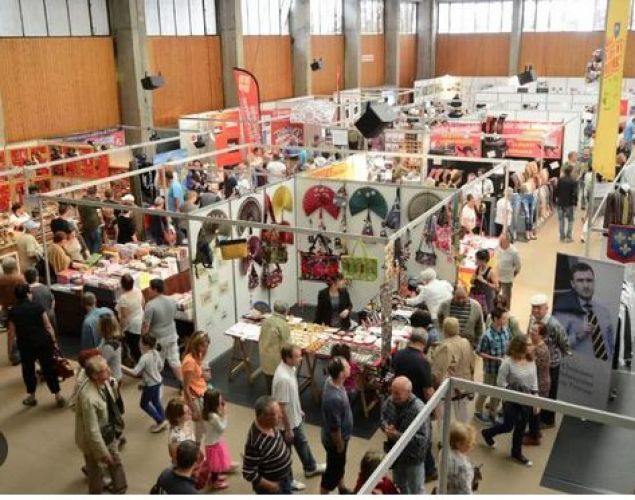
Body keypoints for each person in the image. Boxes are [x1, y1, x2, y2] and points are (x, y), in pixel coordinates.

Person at [481, 335, 538, 467]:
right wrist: (513, 393)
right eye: (529, 344)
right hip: (511, 399)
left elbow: (534, 381)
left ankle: (516, 453)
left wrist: (536, 399)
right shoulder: (508, 362)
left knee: (521, 427)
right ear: (520, 347)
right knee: (508, 426)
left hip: (527, 399)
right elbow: (500, 382)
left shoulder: (531, 360)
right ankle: (487, 433)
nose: (532, 346)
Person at [272, 345, 326, 485]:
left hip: (295, 417)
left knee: (302, 444)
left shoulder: (291, 369)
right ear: (288, 358)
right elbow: (281, 405)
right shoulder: (283, 378)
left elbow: (293, 395)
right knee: (286, 453)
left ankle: (310, 467)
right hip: (286, 424)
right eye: (297, 356)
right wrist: (288, 428)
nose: (301, 358)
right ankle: (288, 480)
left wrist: (298, 409)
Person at [75, 355, 127, 494]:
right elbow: (92, 431)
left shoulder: (104, 382)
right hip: (93, 442)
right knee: (95, 470)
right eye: (105, 370)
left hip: (108, 431)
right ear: (95, 375)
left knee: (115, 461)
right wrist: (103, 452)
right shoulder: (89, 398)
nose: (109, 371)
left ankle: (120, 489)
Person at [8, 283, 65, 407]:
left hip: (25, 344)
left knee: (28, 370)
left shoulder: (13, 311)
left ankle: (32, 397)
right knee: (48, 367)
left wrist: (10, 349)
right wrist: (54, 340)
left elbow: (11, 333)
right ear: (28, 294)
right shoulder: (37, 306)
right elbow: (47, 325)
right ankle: (58, 395)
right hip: (43, 341)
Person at [553, 262, 614, 361]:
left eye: (589, 280)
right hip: (577, 373)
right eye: (580, 281)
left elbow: (610, 345)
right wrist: (577, 335)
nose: (585, 285)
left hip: (602, 372)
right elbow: (554, 345)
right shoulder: (562, 311)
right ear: (573, 284)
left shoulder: (604, 312)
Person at [527, 293, 570, 428]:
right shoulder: (532, 320)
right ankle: (538, 417)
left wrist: (557, 356)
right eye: (534, 307)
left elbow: (564, 343)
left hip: (551, 364)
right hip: (537, 362)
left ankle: (548, 420)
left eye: (538, 308)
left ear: (546, 308)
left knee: (550, 392)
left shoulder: (554, 324)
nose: (535, 310)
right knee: (538, 389)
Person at [380, 376, 428, 494]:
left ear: (408, 392)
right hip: (396, 455)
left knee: (416, 490)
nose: (393, 397)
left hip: (413, 459)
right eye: (392, 392)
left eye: (397, 393)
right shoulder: (390, 401)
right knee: (399, 485)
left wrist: (397, 435)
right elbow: (383, 417)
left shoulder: (419, 409)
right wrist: (385, 427)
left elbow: (422, 440)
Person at [242, 395, 293, 494]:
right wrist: (270, 485)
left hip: (284, 478)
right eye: (276, 414)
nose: (281, 416)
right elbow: (248, 472)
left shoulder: (272, 425)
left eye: (280, 413)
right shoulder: (256, 442)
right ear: (263, 417)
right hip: (272, 487)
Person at [432, 317, 475, 423]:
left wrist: (435, 387)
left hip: (450, 386)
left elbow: (439, 371)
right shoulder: (466, 342)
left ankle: (444, 439)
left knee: (444, 417)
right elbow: (472, 363)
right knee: (463, 416)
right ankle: (464, 437)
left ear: (444, 329)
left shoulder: (445, 346)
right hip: (465, 382)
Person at [122, 335, 168, 433]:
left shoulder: (144, 358)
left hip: (151, 385)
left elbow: (135, 372)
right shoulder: (155, 352)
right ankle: (163, 418)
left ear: (145, 345)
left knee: (143, 404)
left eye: (140, 342)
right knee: (156, 401)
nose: (139, 344)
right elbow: (161, 366)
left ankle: (160, 421)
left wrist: (121, 367)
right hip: (158, 381)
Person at [320, 357, 353, 494]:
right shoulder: (334, 398)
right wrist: (340, 445)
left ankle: (342, 487)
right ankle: (323, 493)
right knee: (333, 471)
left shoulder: (332, 381)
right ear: (341, 374)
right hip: (335, 441)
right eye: (347, 367)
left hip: (340, 438)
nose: (350, 367)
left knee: (340, 465)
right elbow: (335, 429)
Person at [474, 307, 512, 424]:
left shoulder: (506, 330)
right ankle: (478, 412)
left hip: (502, 370)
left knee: (498, 392)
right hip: (490, 370)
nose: (506, 320)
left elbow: (509, 344)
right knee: (486, 391)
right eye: (504, 318)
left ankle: (492, 413)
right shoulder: (487, 336)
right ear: (496, 319)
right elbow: (479, 352)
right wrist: (495, 359)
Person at [142, 278, 182, 385]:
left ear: (155, 289)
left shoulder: (150, 305)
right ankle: (183, 383)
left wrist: (143, 338)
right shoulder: (172, 300)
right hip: (172, 334)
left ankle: (154, 384)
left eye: (150, 288)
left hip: (158, 339)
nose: (148, 290)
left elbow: (146, 325)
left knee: (157, 363)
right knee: (175, 360)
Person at [201, 389, 233, 491]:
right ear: (214, 402)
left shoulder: (206, 412)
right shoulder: (213, 417)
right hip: (214, 444)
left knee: (217, 464)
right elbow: (221, 428)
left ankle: (216, 477)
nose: (221, 399)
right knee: (216, 465)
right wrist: (225, 416)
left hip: (213, 442)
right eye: (219, 398)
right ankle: (214, 482)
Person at [524, 323, 551, 446]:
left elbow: (532, 365)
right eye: (532, 329)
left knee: (534, 411)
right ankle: (535, 432)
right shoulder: (535, 346)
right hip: (536, 383)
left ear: (541, 335)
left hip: (539, 385)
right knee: (534, 411)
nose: (531, 331)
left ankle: (534, 438)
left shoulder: (541, 350)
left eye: (535, 330)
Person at [182, 332, 211, 442]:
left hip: (202, 393)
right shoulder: (189, 362)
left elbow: (197, 374)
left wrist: (202, 374)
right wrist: (193, 409)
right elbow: (186, 388)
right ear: (196, 344)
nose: (205, 348)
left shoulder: (197, 356)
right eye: (203, 345)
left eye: (207, 346)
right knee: (202, 428)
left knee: (203, 427)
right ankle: (196, 449)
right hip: (196, 398)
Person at [437, 284, 484, 349]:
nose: (461, 301)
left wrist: (476, 345)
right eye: (458, 298)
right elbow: (439, 322)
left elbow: (480, 328)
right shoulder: (445, 305)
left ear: (467, 294)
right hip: (449, 346)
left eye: (463, 298)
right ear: (453, 295)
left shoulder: (476, 306)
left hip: (468, 346)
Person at [258, 301, 291, 394]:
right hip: (276, 360)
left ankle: (270, 403)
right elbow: (287, 345)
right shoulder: (282, 324)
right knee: (279, 388)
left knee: (269, 385)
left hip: (264, 356)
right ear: (286, 311)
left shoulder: (266, 321)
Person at [115, 273, 144, 364]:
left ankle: (140, 365)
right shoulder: (138, 290)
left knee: (134, 347)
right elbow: (143, 302)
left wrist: (120, 330)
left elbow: (124, 317)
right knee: (138, 345)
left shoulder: (123, 298)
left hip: (131, 325)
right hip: (140, 319)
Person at [446, 422, 477, 494]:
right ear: (459, 444)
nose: (473, 444)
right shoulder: (463, 466)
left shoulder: (444, 453)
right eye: (469, 443)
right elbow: (465, 489)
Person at [469, 249, 499, 317]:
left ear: (483, 260)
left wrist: (485, 281)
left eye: (477, 259)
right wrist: (473, 279)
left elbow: (497, 287)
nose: (475, 261)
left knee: (486, 316)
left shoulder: (491, 272)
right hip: (476, 296)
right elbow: (471, 281)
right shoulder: (477, 269)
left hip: (487, 299)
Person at [166, 397, 196, 462]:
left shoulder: (186, 422)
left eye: (189, 409)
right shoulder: (176, 438)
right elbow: (176, 459)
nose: (190, 412)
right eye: (186, 412)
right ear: (177, 418)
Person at [496, 234, 522, 304]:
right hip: (497, 277)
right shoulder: (499, 248)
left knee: (506, 297)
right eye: (500, 241)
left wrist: (512, 276)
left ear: (508, 242)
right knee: (495, 294)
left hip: (507, 279)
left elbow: (518, 266)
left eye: (502, 242)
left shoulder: (514, 253)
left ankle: (506, 311)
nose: (500, 243)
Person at [555, 166, 577, 243]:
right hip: (569, 204)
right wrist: (575, 203)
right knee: (570, 220)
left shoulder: (560, 180)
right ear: (571, 172)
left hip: (560, 203)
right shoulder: (573, 181)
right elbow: (575, 193)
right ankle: (569, 237)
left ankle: (561, 237)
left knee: (561, 220)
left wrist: (557, 199)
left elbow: (557, 191)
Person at [98, 314, 123, 383]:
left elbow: (99, 364)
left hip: (112, 379)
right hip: (113, 375)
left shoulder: (109, 347)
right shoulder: (107, 339)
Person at [77, 185, 102, 254]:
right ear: (94, 193)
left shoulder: (81, 200)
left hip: (85, 225)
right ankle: (94, 259)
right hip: (93, 225)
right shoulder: (91, 200)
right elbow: (100, 205)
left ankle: (90, 257)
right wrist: (98, 197)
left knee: (89, 243)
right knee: (97, 242)